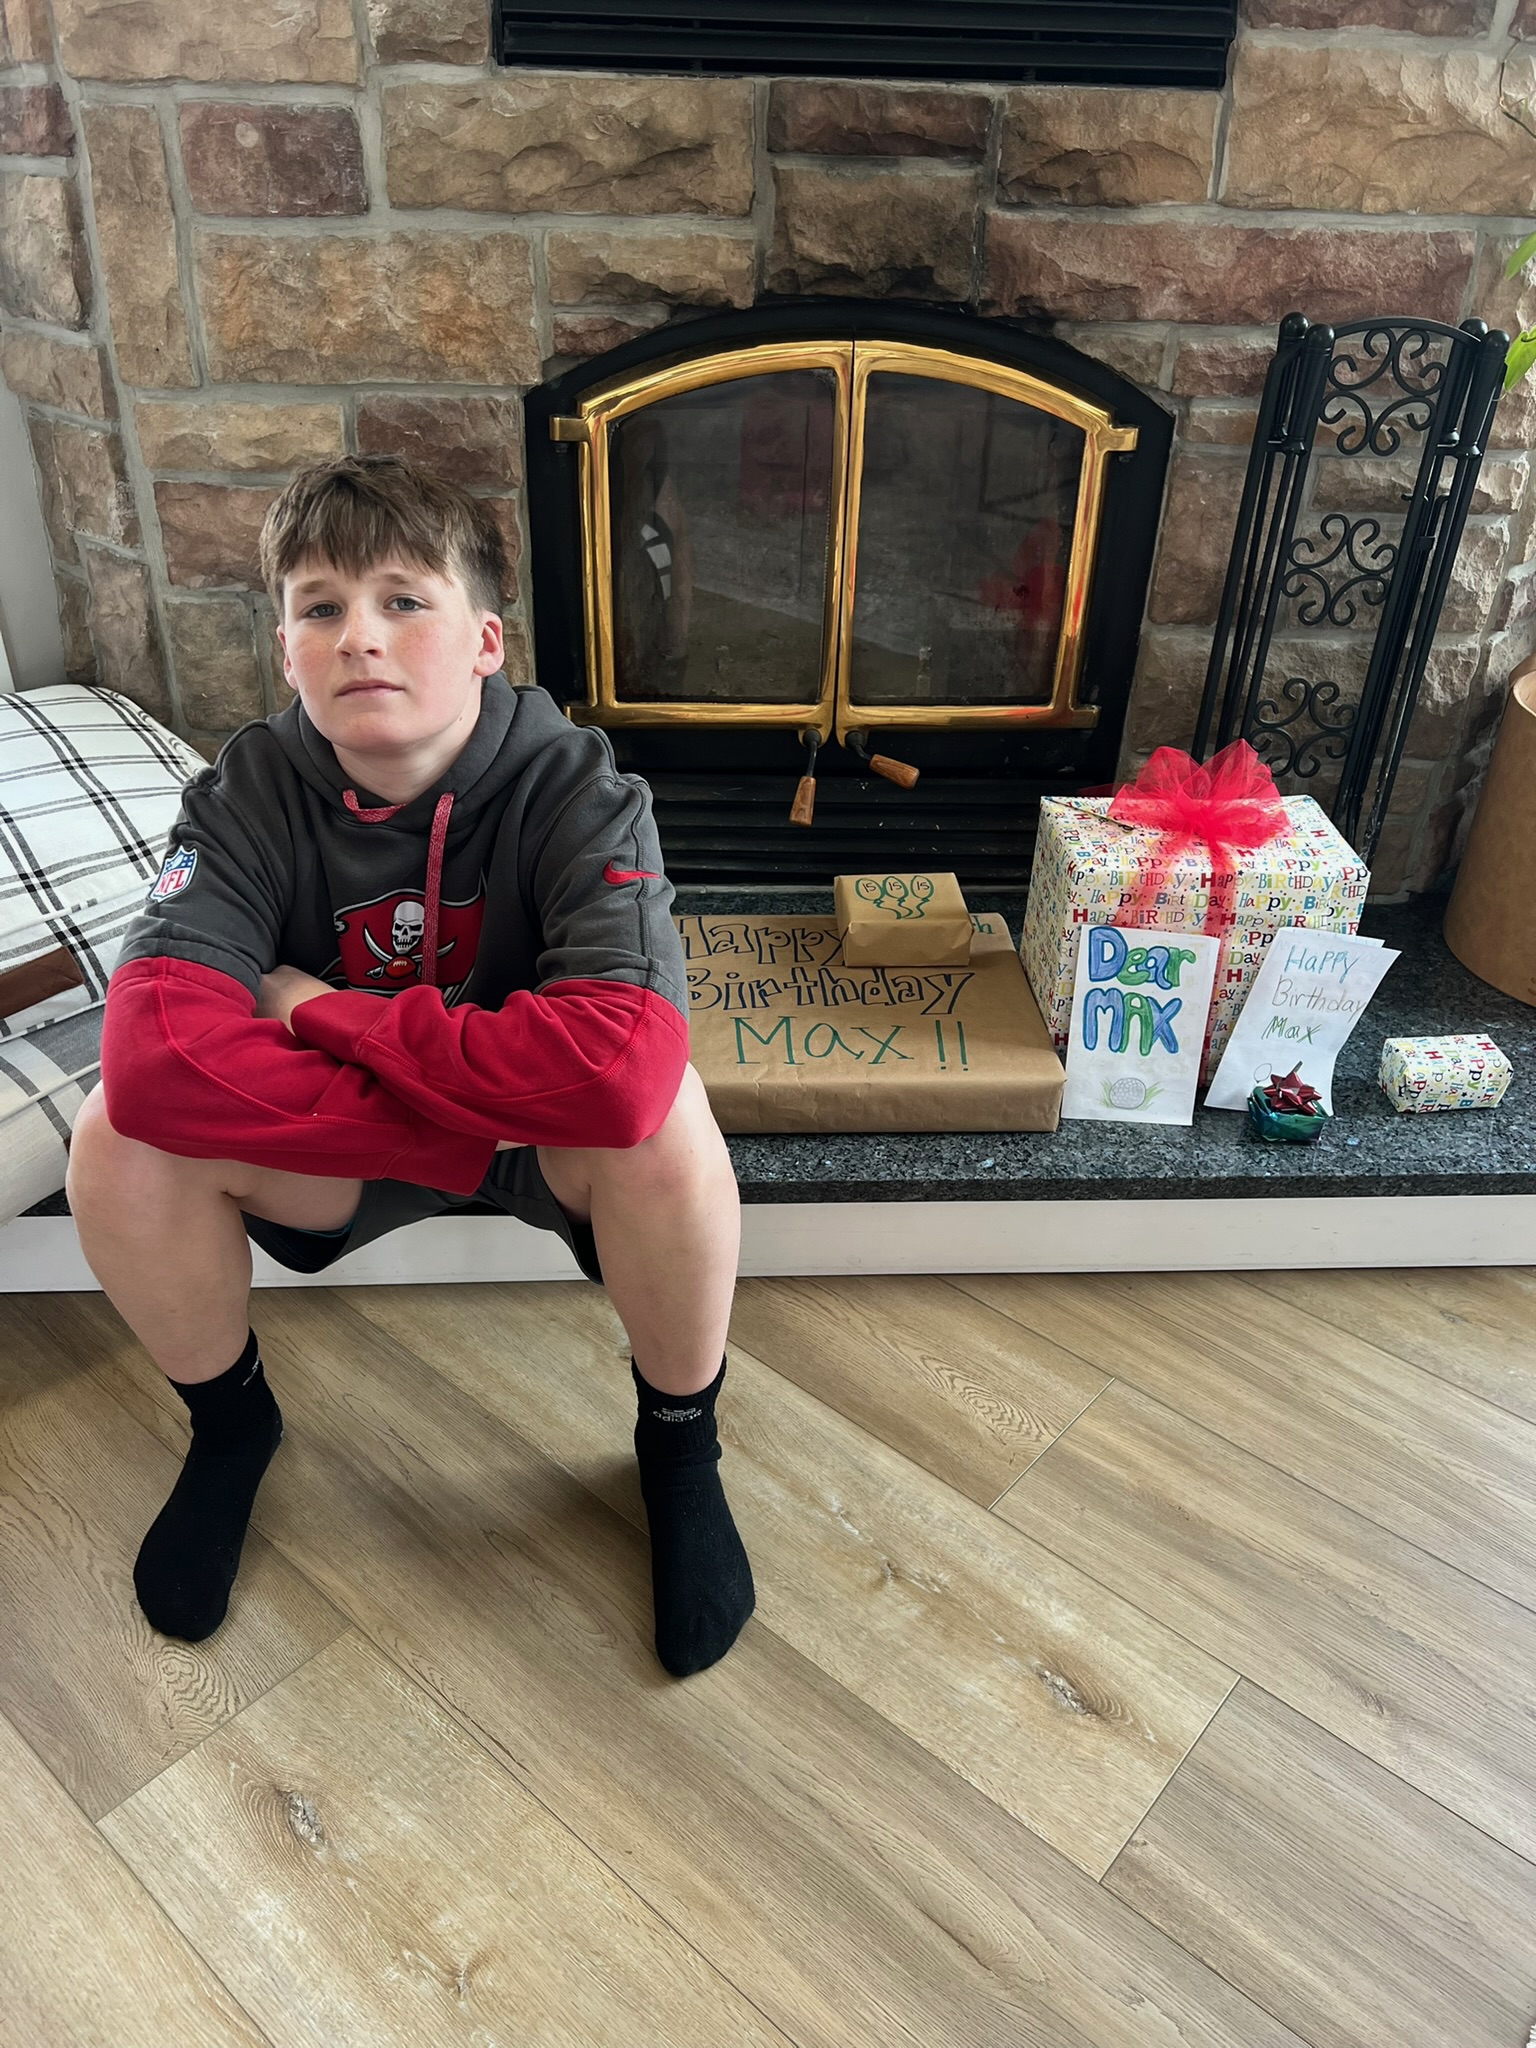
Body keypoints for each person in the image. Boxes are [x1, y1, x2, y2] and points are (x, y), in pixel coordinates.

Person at [65, 453, 754, 1679]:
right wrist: (474, 1107)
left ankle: (679, 1440)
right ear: (286, 652)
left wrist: (324, 1010)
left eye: (401, 599)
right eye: (320, 607)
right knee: (117, 1136)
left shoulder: (584, 788)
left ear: (486, 641)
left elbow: (616, 1072)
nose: (359, 636)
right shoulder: (241, 795)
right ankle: (232, 1426)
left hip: (530, 1143)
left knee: (667, 1118)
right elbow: (160, 1057)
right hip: (401, 1138)